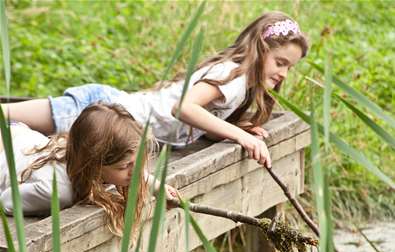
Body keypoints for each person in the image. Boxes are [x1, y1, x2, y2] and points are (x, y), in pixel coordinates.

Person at [2, 11, 308, 168]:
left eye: (289, 67)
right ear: (261, 48)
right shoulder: (234, 76)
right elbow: (184, 108)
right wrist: (238, 135)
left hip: (107, 118)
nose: (283, 73)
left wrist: (232, 128)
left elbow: (192, 120)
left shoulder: (237, 81)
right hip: (101, 113)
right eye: (280, 62)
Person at [0, 102, 177, 236]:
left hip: (19, 134)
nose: (137, 171)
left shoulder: (80, 156)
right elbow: (6, 202)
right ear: (93, 165)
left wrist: (155, 186)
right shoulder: (59, 191)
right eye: (124, 166)